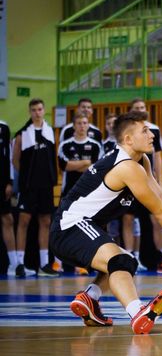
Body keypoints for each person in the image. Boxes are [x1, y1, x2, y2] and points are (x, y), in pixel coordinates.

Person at [49, 111, 162, 334]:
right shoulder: (127, 167)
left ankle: (90, 298)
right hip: (69, 227)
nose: (152, 135)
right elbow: (161, 212)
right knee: (118, 260)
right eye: (144, 131)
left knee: (127, 261)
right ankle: (137, 312)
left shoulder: (141, 161)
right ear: (128, 139)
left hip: (83, 227)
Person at [128, 98, 162, 274]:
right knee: (128, 219)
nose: (140, 110)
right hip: (130, 181)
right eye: (136, 107)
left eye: (142, 107)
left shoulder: (153, 129)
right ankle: (129, 258)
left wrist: (160, 182)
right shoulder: (127, 131)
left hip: (148, 181)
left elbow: (157, 156)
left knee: (158, 218)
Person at [12, 98, 59, 277]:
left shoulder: (50, 131)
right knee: (23, 221)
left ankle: (44, 264)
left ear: (44, 110)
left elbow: (53, 158)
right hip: (28, 186)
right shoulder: (22, 134)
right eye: (34, 110)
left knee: (45, 221)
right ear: (29, 112)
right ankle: (19, 263)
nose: (37, 113)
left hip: (46, 185)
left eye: (39, 109)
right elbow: (15, 160)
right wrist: (26, 177)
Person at [56, 111, 103, 275]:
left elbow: (96, 167)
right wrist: (85, 162)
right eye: (79, 123)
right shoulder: (65, 145)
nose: (82, 126)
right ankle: (58, 263)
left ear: (88, 125)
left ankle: (83, 264)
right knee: (62, 228)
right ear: (74, 126)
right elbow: (64, 166)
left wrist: (76, 164)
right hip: (69, 193)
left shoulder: (96, 145)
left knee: (86, 229)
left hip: (89, 194)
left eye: (84, 123)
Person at [103, 112, 145, 271]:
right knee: (111, 225)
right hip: (111, 192)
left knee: (130, 221)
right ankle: (116, 257)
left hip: (128, 189)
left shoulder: (133, 148)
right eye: (108, 123)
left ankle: (132, 256)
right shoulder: (104, 145)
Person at [0, 120, 17, 276]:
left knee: (8, 219)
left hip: (2, 182)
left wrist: (10, 182)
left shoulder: (4, 127)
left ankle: (14, 264)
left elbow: (9, 157)